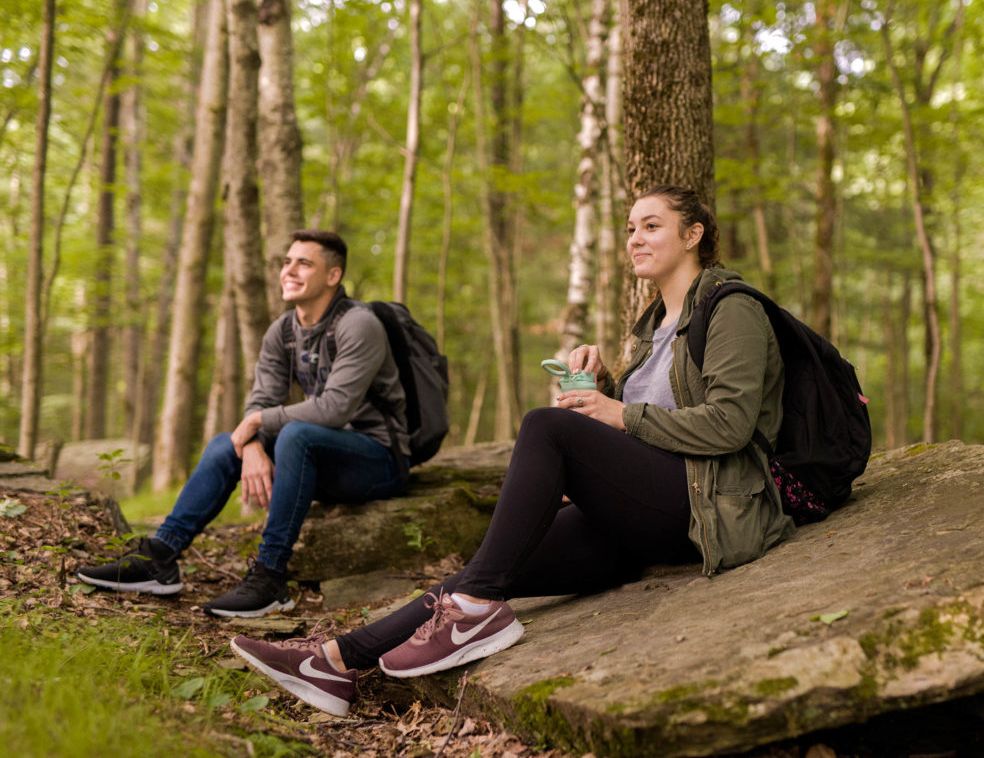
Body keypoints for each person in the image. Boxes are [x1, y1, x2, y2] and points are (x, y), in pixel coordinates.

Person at [228, 186, 793, 717]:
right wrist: (602, 392)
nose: (635, 239)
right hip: (644, 513)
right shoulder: (652, 323)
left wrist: (615, 415)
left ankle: (467, 617)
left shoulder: (730, 307)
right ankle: (335, 661)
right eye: (629, 229)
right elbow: (651, 423)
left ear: (693, 235)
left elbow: (729, 425)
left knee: (545, 428)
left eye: (652, 226)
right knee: (486, 572)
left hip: (706, 506)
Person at [77, 229, 412, 618]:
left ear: (333, 276)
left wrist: (256, 422)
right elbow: (261, 400)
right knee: (226, 444)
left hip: (379, 459)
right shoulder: (283, 331)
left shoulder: (359, 324)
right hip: (321, 457)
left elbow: (334, 409)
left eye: (304, 263)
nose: (289, 270)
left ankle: (270, 576)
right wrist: (251, 445)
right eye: (287, 262)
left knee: (296, 434)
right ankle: (161, 557)